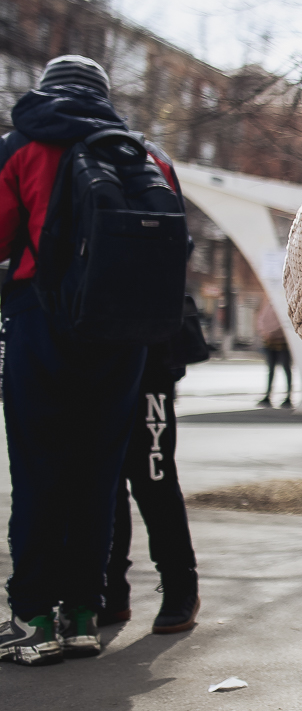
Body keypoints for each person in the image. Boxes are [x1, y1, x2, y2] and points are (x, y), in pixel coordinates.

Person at [0, 56, 182, 666]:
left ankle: (33, 617)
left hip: (40, 323)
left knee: (38, 472)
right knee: (98, 477)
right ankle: (82, 614)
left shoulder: (22, 146)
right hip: (120, 336)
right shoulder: (142, 154)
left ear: (46, 90)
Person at [101, 272, 206, 637]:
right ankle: (110, 588)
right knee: (105, 483)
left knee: (154, 479)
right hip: (94, 349)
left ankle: (180, 587)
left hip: (149, 354)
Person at [255, 297, 293, 408]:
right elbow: (261, 320)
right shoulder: (269, 306)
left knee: (286, 369)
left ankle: (288, 396)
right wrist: (264, 333)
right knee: (271, 370)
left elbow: (285, 323)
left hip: (283, 342)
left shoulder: (285, 307)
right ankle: (268, 394)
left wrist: (271, 332)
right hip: (269, 342)